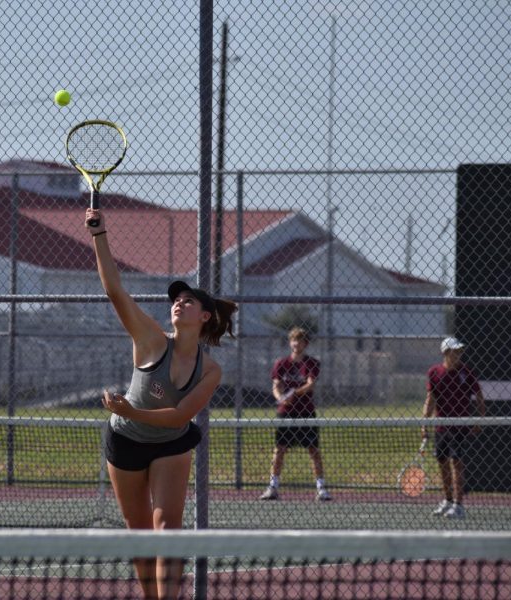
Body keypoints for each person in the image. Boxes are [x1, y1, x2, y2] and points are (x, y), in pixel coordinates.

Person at [86, 207, 238, 600]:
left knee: (167, 527)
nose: (178, 303)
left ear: (205, 317)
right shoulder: (152, 341)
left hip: (170, 441)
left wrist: (130, 409)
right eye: (176, 300)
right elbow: (115, 291)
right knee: (138, 532)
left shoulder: (210, 371)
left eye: (188, 301)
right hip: (126, 441)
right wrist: (99, 235)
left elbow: (181, 418)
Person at [259, 326, 331, 502]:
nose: (296, 343)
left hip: (306, 413)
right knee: (279, 450)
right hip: (286, 414)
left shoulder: (311, 363)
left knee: (313, 450)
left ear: (305, 344)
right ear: (290, 342)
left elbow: (310, 384)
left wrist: (293, 393)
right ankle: (273, 487)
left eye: (300, 340)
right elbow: (276, 385)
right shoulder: (281, 363)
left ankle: (321, 488)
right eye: (293, 339)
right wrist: (281, 398)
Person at [421, 336, 486, 519]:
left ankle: (459, 506)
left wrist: (480, 419)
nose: (458, 354)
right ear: (445, 353)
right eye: (454, 351)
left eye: (459, 351)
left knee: (457, 463)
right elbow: (430, 400)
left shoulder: (467, 372)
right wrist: (424, 423)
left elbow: (479, 396)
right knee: (442, 464)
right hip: (441, 426)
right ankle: (448, 501)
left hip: (459, 425)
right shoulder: (434, 373)